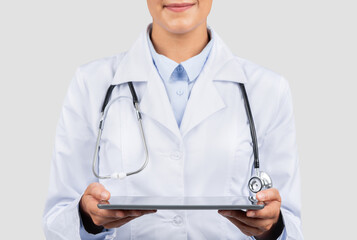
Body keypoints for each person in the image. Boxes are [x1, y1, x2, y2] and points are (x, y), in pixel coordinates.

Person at [43, 0, 303, 239]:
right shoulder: (90, 83)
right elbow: (57, 221)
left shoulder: (268, 90)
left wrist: (271, 227)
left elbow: (290, 227)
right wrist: (88, 219)